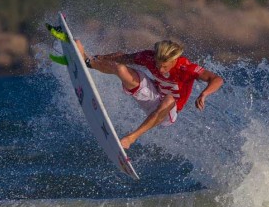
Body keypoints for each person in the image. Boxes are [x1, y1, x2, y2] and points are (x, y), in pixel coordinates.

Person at [76, 39, 224, 149]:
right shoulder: (150, 57)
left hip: (168, 113)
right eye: (158, 65)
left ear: (174, 60)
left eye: (164, 66)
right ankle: (88, 62)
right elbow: (123, 57)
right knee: (121, 69)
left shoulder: (185, 67)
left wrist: (204, 94)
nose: (160, 69)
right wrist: (97, 58)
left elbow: (217, 79)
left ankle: (131, 138)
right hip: (152, 96)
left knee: (169, 98)